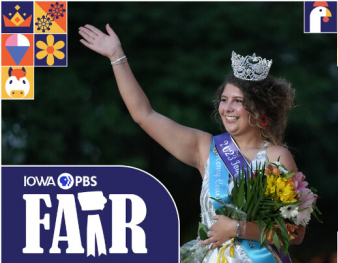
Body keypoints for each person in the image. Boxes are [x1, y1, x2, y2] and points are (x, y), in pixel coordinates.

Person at [79, 24, 305, 262]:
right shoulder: (206, 148)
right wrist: (117, 57)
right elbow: (144, 115)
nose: (227, 108)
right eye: (224, 99)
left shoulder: (277, 157)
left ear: (259, 109)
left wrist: (237, 229)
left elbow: (295, 233)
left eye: (238, 101)